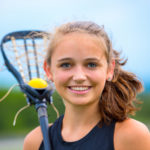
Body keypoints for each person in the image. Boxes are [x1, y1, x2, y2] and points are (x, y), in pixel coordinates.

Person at [23, 21, 150, 150]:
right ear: (48, 70)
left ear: (109, 70)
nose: (79, 77)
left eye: (91, 64)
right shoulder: (36, 141)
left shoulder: (130, 135)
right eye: (66, 65)